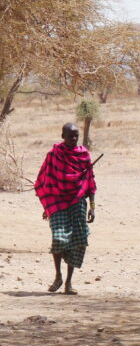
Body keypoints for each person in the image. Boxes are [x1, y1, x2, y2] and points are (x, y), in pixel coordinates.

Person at [34, 123, 97, 295]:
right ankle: (58, 276)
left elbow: (90, 182)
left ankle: (69, 282)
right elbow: (43, 180)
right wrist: (46, 205)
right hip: (56, 203)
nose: (74, 139)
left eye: (76, 135)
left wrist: (92, 207)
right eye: (70, 136)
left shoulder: (84, 155)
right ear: (63, 136)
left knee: (77, 241)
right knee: (59, 239)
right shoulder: (54, 154)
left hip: (77, 203)